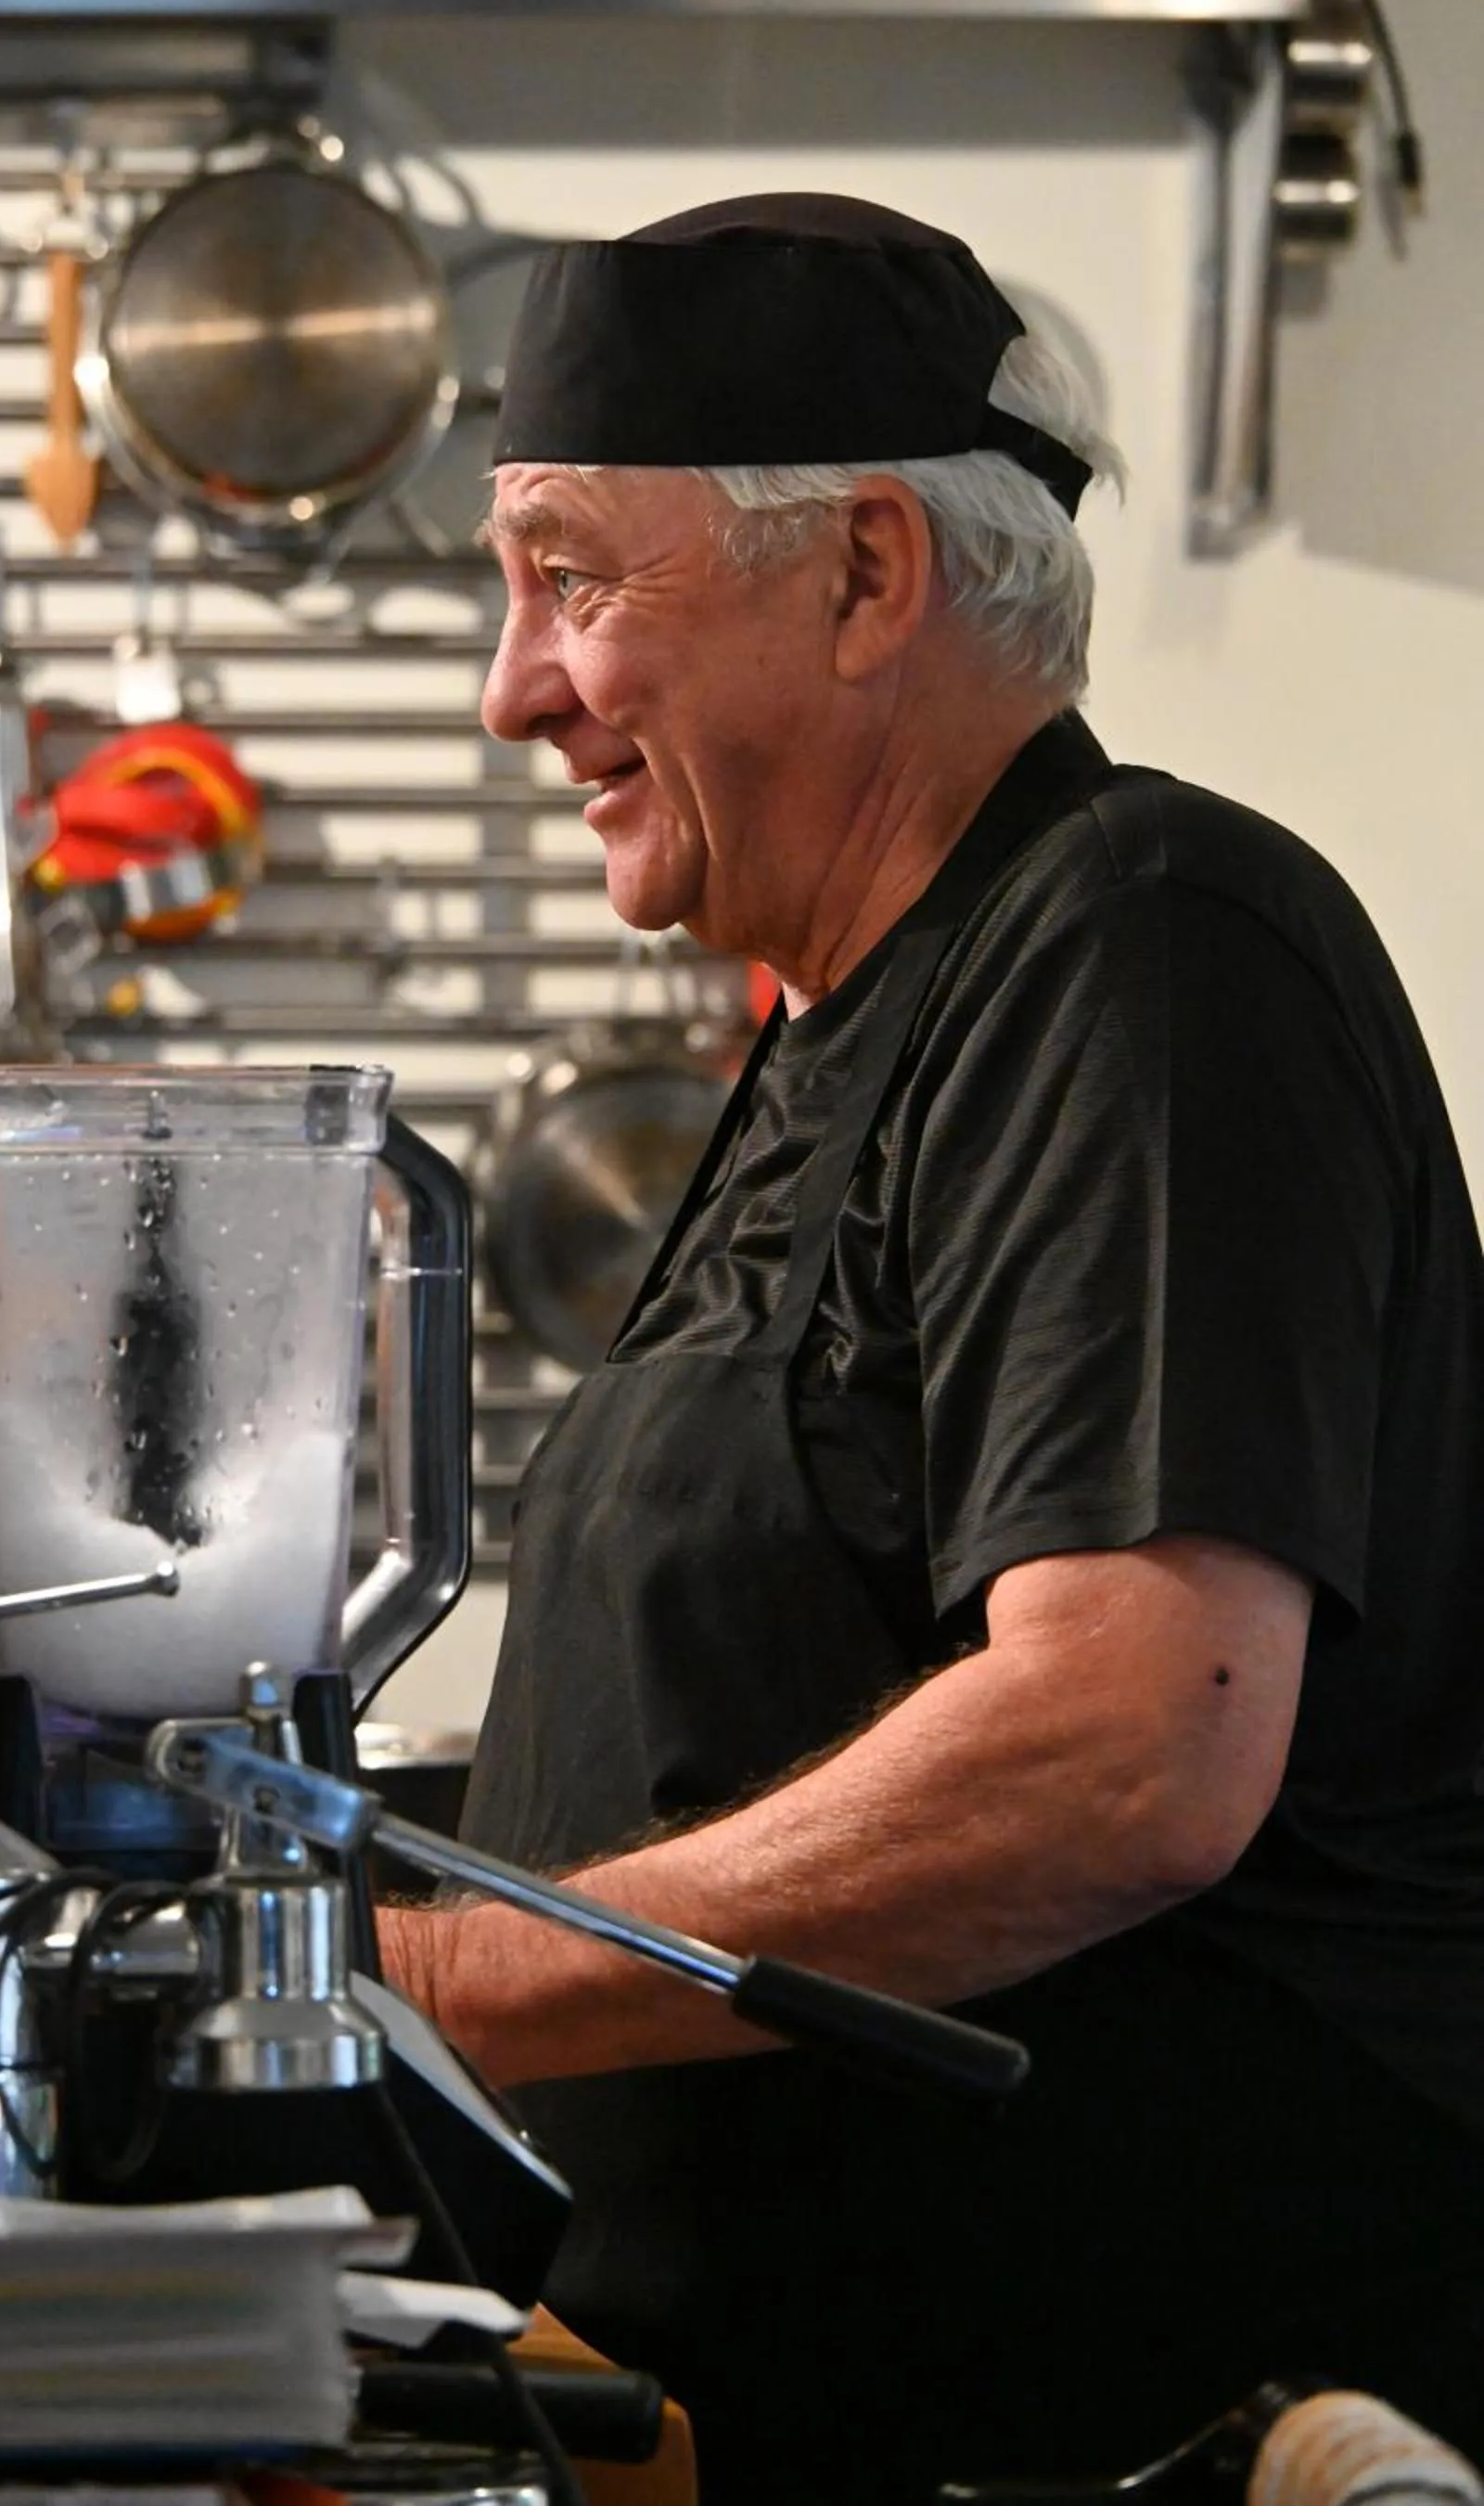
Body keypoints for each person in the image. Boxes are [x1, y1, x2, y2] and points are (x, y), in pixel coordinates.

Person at [380, 193, 1484, 2505]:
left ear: (869, 575)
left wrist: (453, 1977)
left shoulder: (1147, 948)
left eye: (573, 581)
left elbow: (1123, 1742)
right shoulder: (839, 1027)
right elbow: (757, 1700)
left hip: (1141, 2434)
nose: (510, 688)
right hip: (756, 2411)